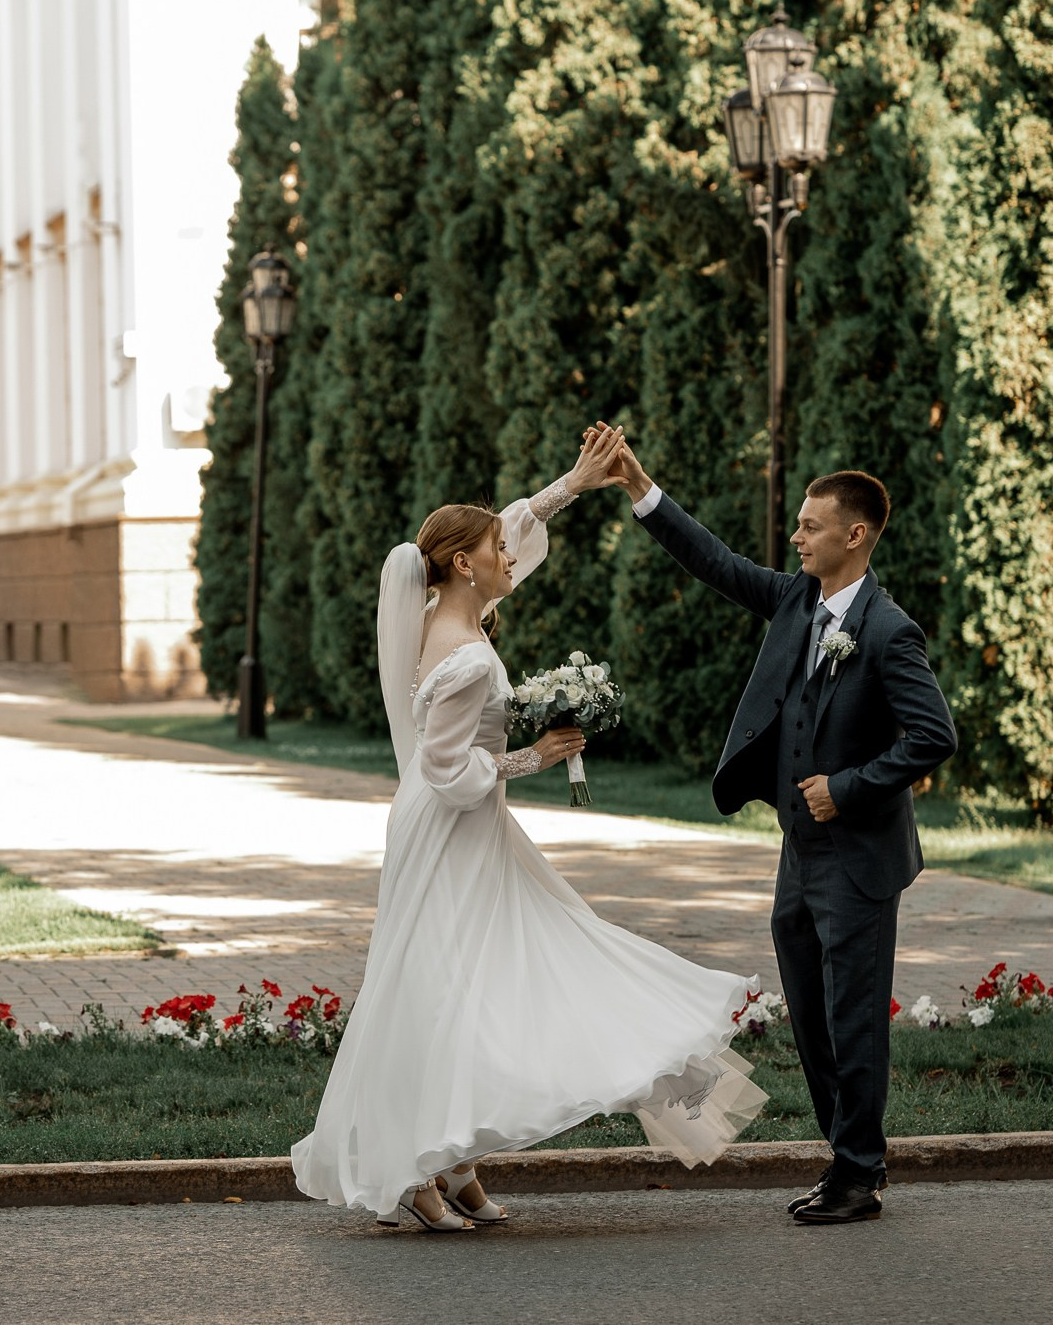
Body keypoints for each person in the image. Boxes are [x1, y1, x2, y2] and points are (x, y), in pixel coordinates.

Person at [291, 427, 767, 1232]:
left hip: (467, 831)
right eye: (493, 550)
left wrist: (575, 484)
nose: (510, 556)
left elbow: (514, 527)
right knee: (445, 990)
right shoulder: (468, 655)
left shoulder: (453, 613)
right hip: (449, 832)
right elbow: (446, 772)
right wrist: (535, 756)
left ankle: (455, 1162)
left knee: (480, 983)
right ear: (460, 565)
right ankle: (420, 1167)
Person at [610, 433, 957, 1224]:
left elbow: (932, 736)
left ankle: (859, 1175)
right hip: (799, 854)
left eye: (809, 525)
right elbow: (718, 563)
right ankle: (847, 1157)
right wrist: (641, 488)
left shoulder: (889, 630)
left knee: (854, 1019)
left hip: (860, 857)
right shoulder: (800, 600)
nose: (795, 536)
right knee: (810, 1010)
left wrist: (848, 786)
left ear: (855, 534)